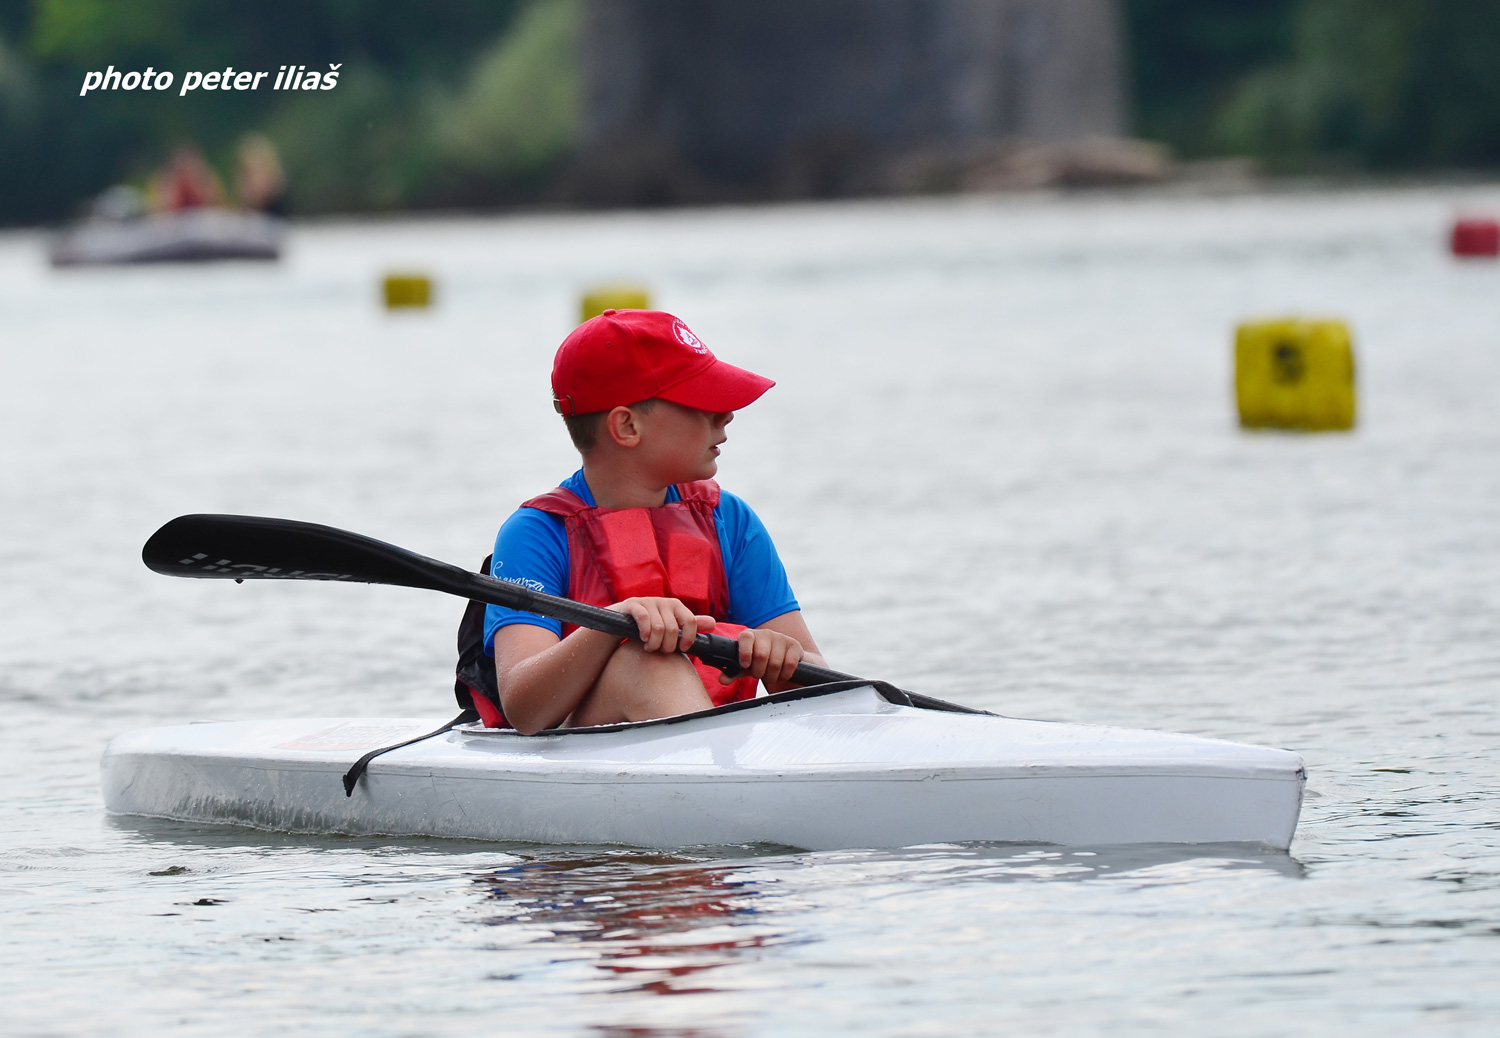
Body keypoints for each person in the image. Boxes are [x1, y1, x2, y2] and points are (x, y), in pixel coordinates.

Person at [455, 309, 827, 735]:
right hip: (579, 745)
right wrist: (614, 625)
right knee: (647, 661)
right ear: (627, 426)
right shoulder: (536, 534)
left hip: (711, 745)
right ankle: (717, 785)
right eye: (702, 401)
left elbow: (822, 677)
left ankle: (713, 778)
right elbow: (525, 707)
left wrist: (784, 661)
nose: (726, 415)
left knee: (786, 665)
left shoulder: (731, 520)